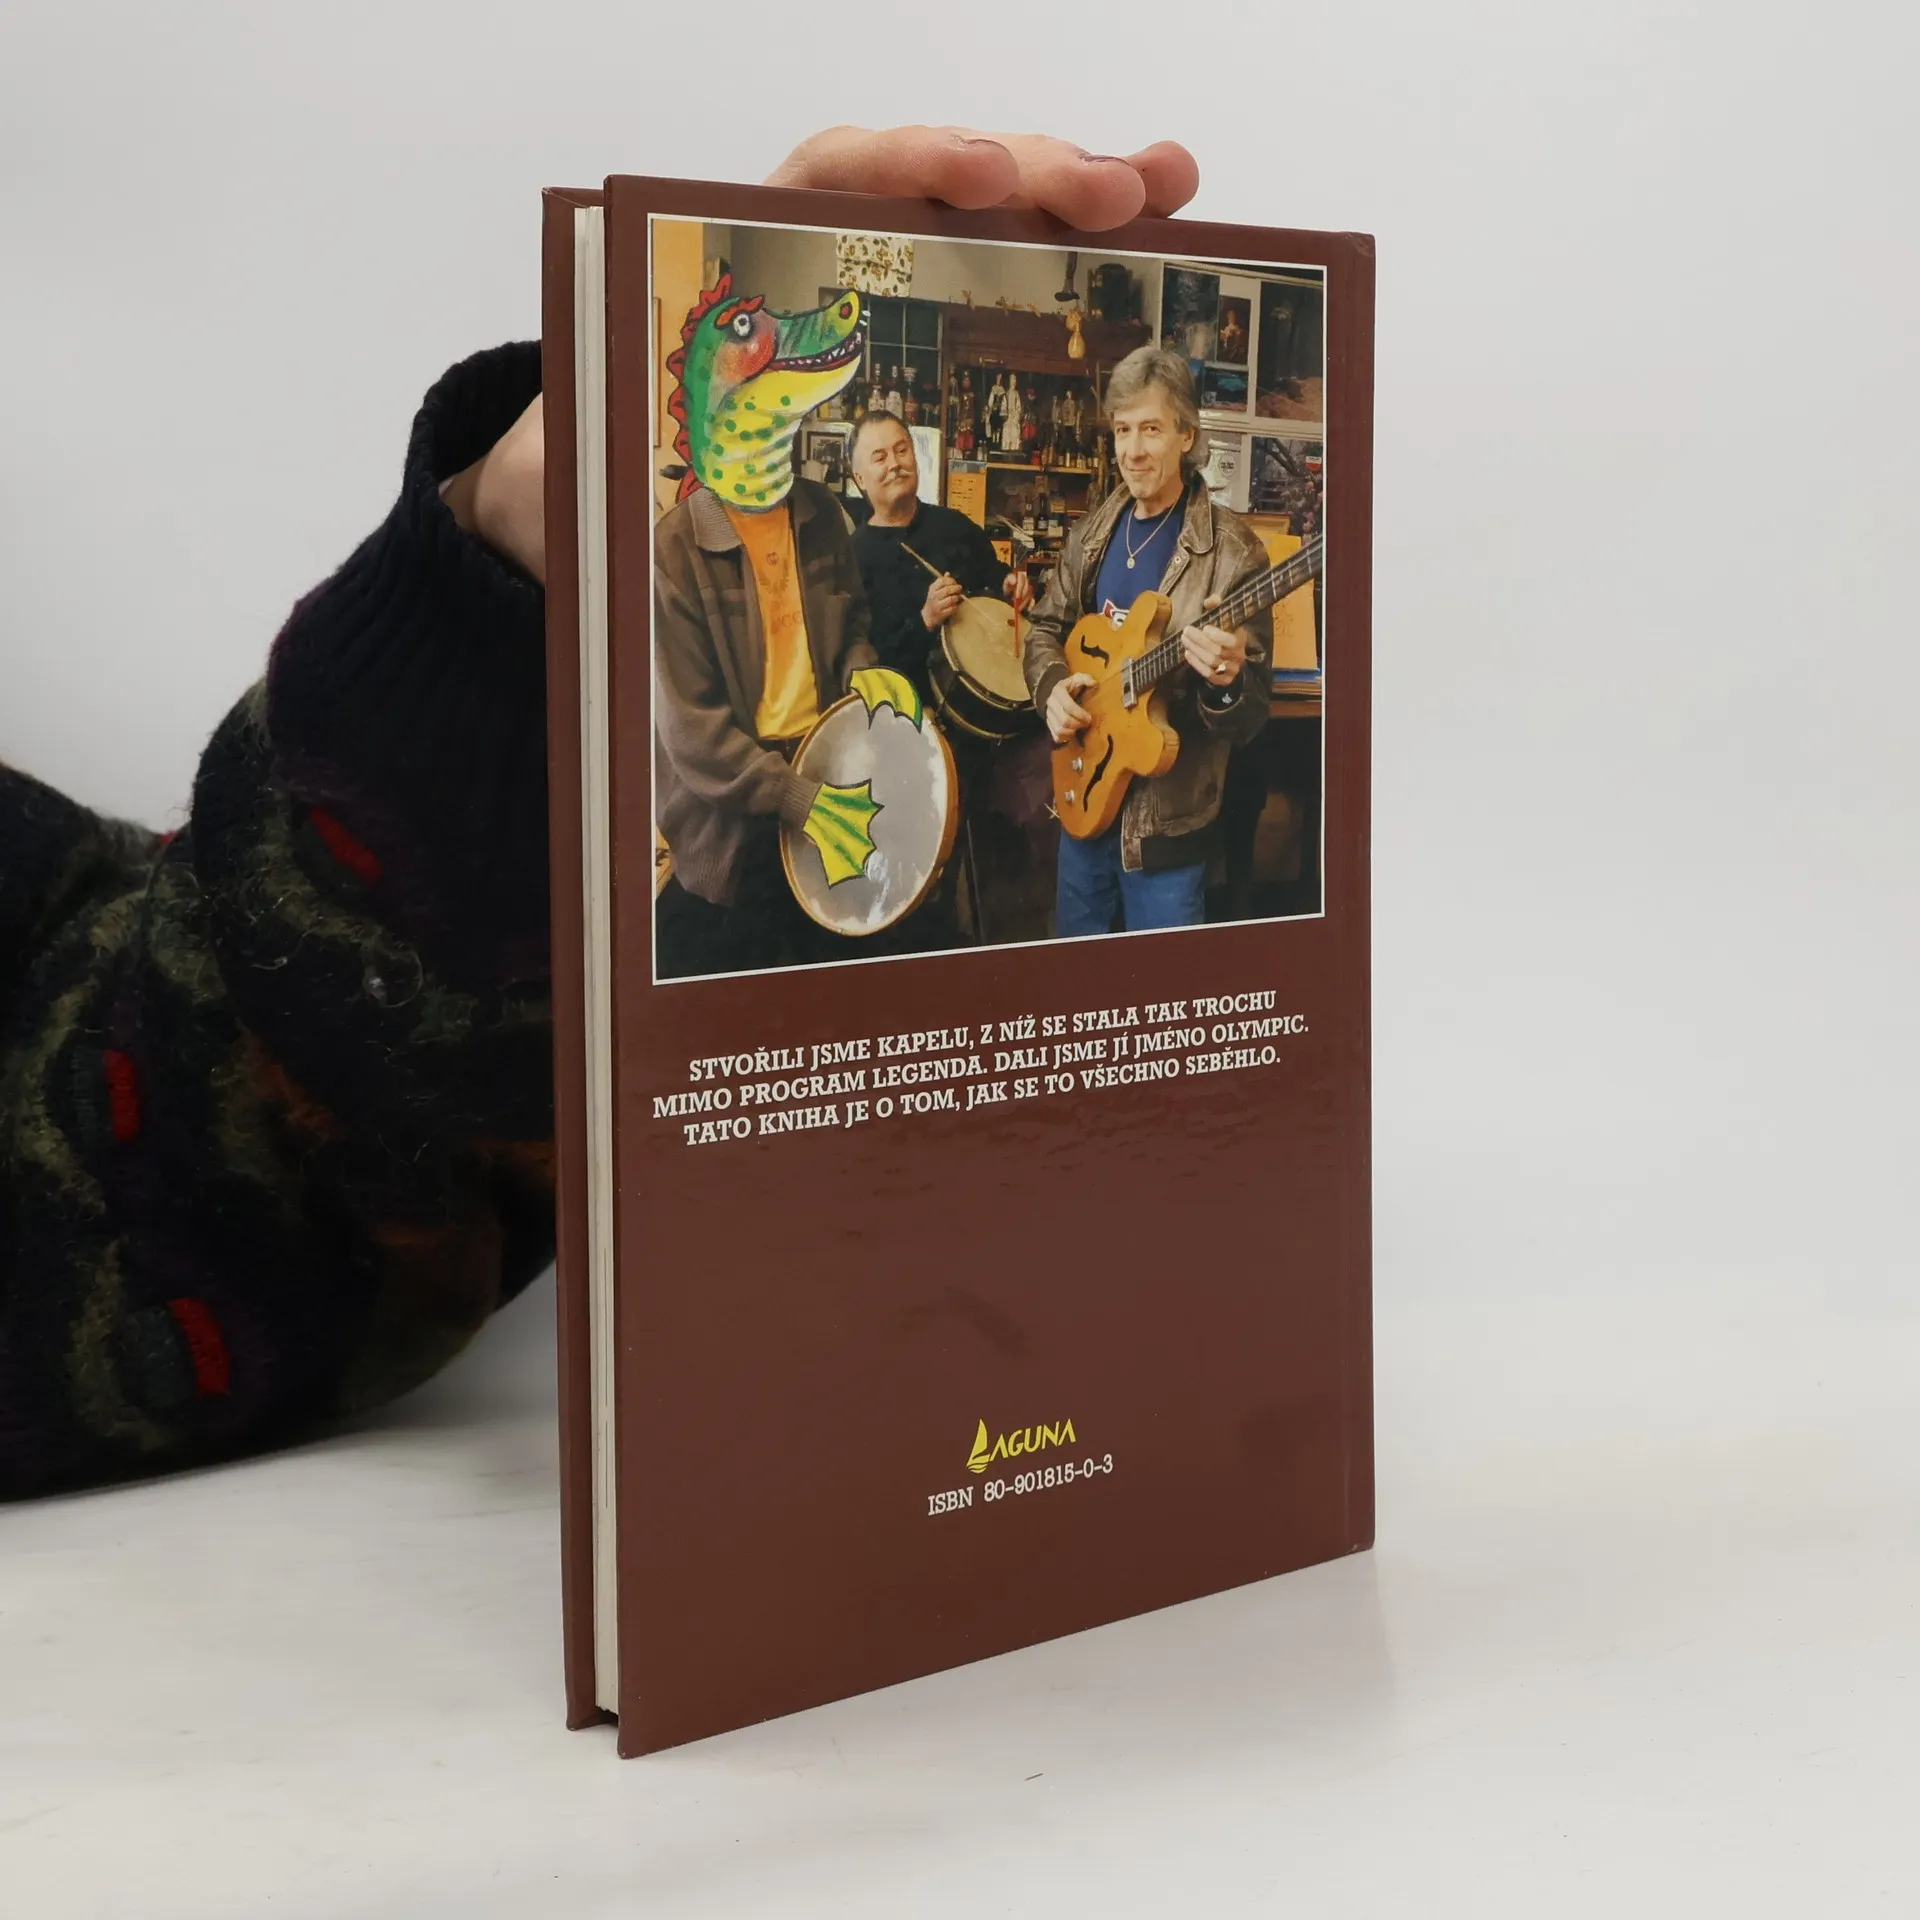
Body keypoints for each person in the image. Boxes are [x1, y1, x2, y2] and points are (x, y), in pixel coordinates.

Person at [0, 127, 1202, 1500]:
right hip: (736, 853)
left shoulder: (838, 529)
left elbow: (142, 1034)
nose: (876, 468)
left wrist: (512, 576)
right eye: (865, 452)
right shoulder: (694, 547)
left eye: (884, 451)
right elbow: (695, 732)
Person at [1023, 346, 1270, 937]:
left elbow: (1251, 715)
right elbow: (1045, 629)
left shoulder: (1236, 554)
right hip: (1084, 805)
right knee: (1075, 981)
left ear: (1187, 435)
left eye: (1151, 429)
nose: (1133, 450)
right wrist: (1052, 688)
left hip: (1168, 839)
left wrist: (1227, 682)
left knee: (1162, 984)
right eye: (1123, 430)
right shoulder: (1093, 532)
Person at [846, 408, 1031, 705]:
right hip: (904, 711)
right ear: (860, 478)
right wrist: (926, 620)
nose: (895, 464)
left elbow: (994, 576)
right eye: (880, 458)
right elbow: (866, 662)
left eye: (902, 450)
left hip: (982, 700)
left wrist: (1010, 585)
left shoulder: (955, 525)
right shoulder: (853, 557)